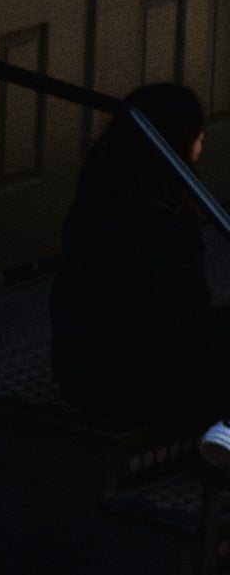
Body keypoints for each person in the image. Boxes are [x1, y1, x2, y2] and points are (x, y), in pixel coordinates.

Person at [51, 80, 230, 441]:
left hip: (81, 373)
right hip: (143, 388)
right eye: (197, 134)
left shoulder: (97, 197)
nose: (202, 142)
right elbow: (189, 333)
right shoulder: (167, 228)